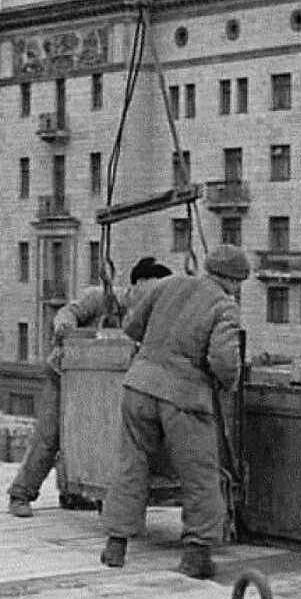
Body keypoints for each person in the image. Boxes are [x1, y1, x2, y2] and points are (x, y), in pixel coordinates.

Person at [100, 244, 248, 579]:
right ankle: (196, 555)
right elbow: (224, 360)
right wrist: (227, 385)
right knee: (200, 474)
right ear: (236, 281)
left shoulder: (168, 285)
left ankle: (116, 543)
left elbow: (131, 326)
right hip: (182, 396)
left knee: (131, 463)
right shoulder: (225, 306)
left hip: (138, 387)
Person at [6, 256, 173, 518]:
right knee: (50, 434)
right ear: (137, 284)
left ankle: (77, 493)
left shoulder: (150, 314)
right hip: (65, 374)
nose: (158, 297)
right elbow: (66, 313)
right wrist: (68, 333)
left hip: (105, 383)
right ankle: (21, 493)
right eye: (154, 290)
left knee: (94, 435)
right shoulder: (100, 298)